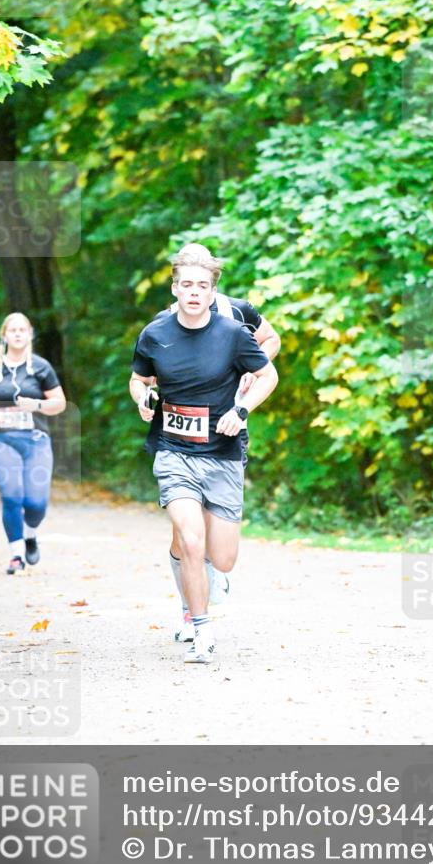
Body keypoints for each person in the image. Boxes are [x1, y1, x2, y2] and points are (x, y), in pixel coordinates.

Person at [130, 247, 278, 663]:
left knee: (223, 559)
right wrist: (144, 397)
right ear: (175, 288)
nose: (194, 293)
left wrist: (242, 408)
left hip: (223, 453)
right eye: (187, 285)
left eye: (202, 286)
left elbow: (269, 373)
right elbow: (139, 378)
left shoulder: (233, 333)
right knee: (190, 540)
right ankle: (200, 628)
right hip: (173, 451)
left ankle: (206, 577)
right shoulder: (155, 333)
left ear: (213, 292)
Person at [0, 313, 67, 574]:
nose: (18, 333)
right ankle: (16, 554)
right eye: (12, 330)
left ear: (30, 334)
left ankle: (30, 534)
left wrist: (35, 404)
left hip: (36, 440)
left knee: (36, 503)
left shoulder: (41, 367)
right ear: (4, 335)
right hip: (3, 440)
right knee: (11, 495)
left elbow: (60, 403)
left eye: (22, 329)